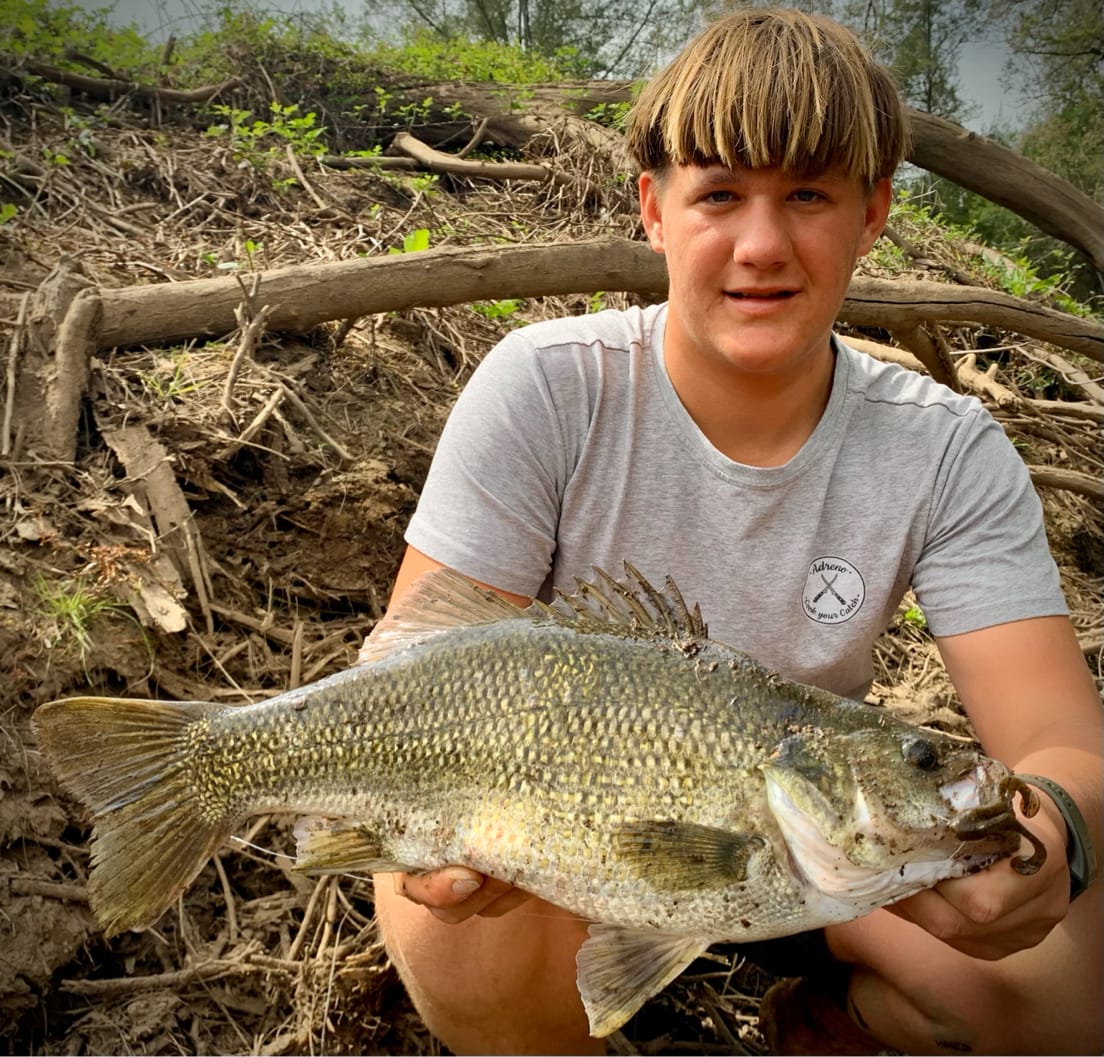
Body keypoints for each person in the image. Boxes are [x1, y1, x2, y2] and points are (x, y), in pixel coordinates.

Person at [366, 8, 1103, 1054]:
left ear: (874, 210)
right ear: (654, 210)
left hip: (813, 847)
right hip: (563, 844)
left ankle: (826, 1025)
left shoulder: (945, 450)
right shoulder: (543, 390)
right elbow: (417, 664)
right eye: (718, 194)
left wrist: (1060, 832)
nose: (762, 244)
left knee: (1075, 990)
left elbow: (1062, 740)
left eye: (808, 193)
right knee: (461, 938)